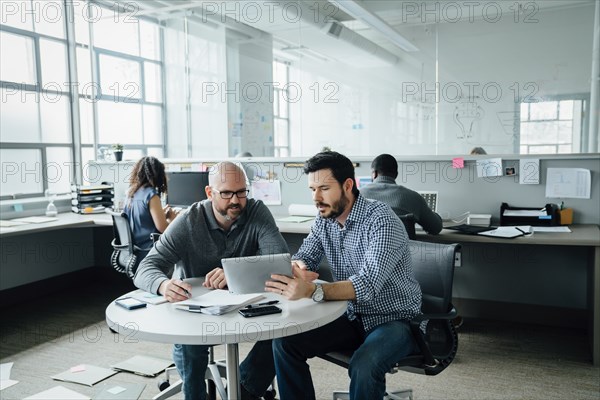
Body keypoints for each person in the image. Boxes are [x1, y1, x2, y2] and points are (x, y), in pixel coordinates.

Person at [265, 151, 422, 400]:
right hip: (350, 316)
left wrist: (313, 290)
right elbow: (307, 253)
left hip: (394, 320)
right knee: (285, 343)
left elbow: (367, 285)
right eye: (312, 189)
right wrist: (298, 267)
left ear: (348, 185)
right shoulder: (325, 218)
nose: (316, 198)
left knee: (364, 364)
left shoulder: (381, 220)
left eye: (324, 188)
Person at [133, 161, 289, 400]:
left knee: (282, 332)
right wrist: (164, 285)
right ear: (210, 193)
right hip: (195, 310)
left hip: (245, 304)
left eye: (241, 192)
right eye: (226, 193)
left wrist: (233, 272)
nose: (236, 200)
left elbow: (278, 261)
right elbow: (146, 267)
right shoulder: (189, 220)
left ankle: (243, 390)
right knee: (192, 349)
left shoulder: (256, 211)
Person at [360, 154, 443, 234]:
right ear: (396, 174)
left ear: (374, 174)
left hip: (366, 248)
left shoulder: (357, 196)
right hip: (403, 248)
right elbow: (435, 228)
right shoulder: (414, 197)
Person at [124, 156, 178, 260]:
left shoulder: (131, 193)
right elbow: (163, 229)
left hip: (135, 249)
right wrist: (172, 219)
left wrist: (161, 214)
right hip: (148, 249)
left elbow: (140, 217)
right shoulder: (151, 195)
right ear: (158, 175)